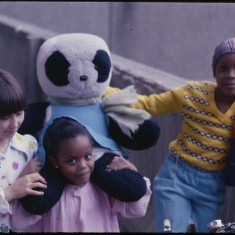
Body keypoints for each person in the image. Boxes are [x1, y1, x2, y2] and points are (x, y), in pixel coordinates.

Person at [106, 37, 235, 232]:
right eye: (223, 68)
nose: (230, 75)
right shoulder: (193, 94)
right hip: (177, 178)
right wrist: (103, 91)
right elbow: (149, 104)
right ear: (214, 71)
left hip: (212, 187)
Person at [11, 117, 152, 232]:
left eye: (88, 156)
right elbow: (18, 222)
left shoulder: (103, 189)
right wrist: (23, 180)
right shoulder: (47, 196)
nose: (83, 166)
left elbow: (137, 210)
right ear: (55, 162)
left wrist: (134, 173)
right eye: (71, 161)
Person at [0, 69, 47, 233]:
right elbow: (16, 190)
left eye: (19, 113)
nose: (14, 123)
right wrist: (11, 191)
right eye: (5, 117)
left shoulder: (28, 146)